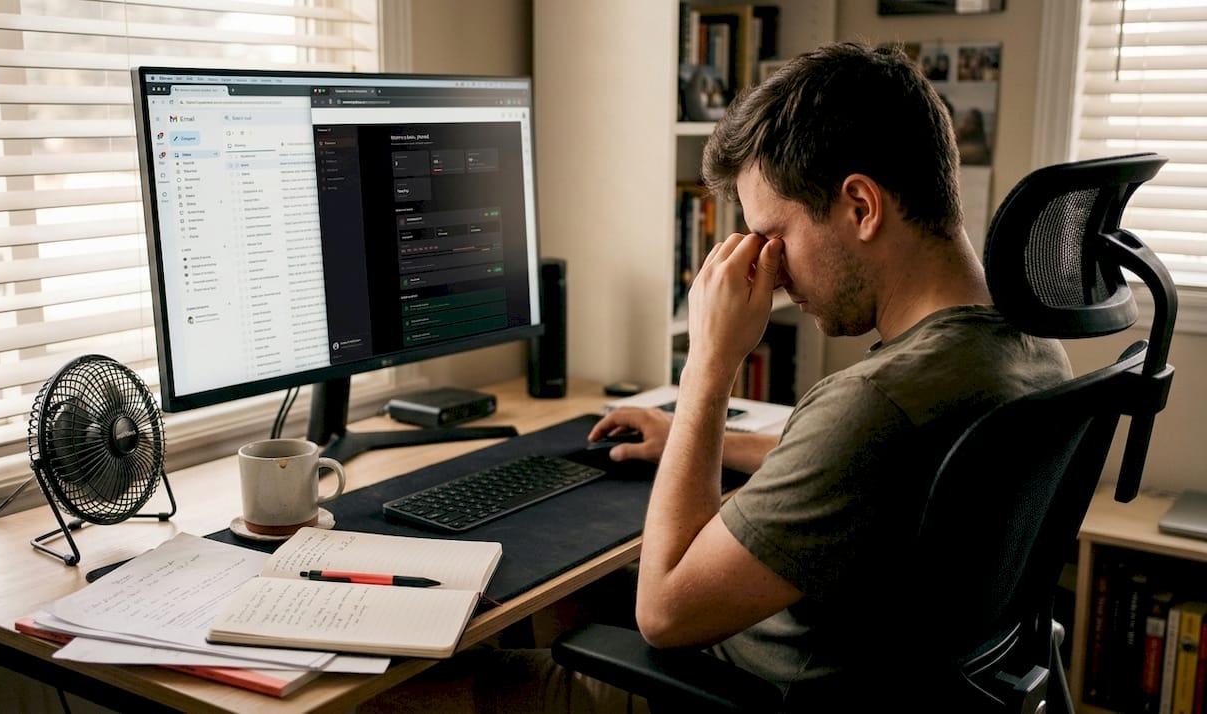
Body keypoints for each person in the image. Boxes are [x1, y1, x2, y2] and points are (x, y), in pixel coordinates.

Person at [363, 41, 1071, 713]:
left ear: (861, 207)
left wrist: (708, 364)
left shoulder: (874, 404)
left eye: (775, 236)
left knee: (398, 690)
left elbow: (665, 613)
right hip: (886, 681)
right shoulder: (1027, 348)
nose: (773, 271)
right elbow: (893, 472)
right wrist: (703, 440)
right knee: (561, 604)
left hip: (734, 693)